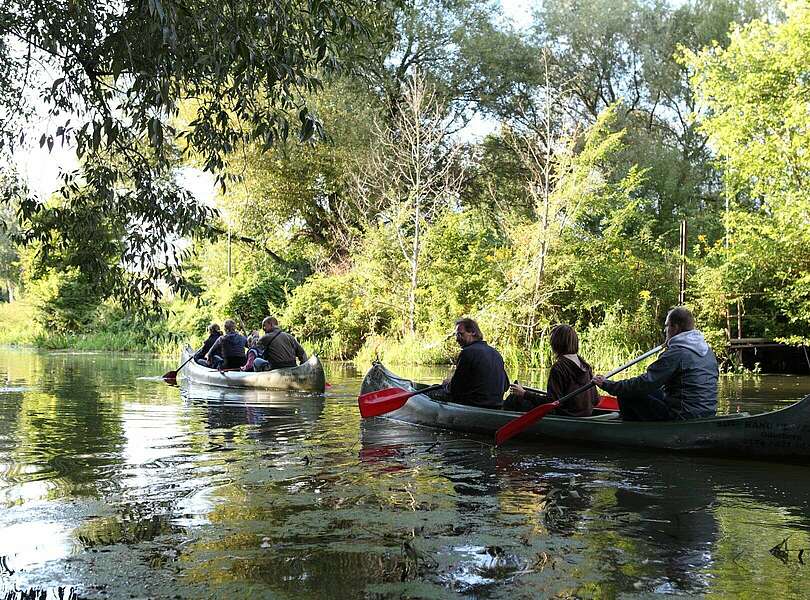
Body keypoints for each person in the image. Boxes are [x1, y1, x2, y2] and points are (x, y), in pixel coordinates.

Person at [592, 307, 718, 421]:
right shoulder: (707, 351)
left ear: (675, 327)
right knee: (652, 390)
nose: (665, 330)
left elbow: (645, 383)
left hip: (682, 415)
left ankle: (631, 431)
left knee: (626, 393)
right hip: (708, 412)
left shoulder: (676, 353)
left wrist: (608, 385)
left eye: (666, 326)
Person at [504, 324, 598, 416]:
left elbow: (552, 403)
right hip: (585, 414)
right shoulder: (586, 366)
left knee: (514, 399)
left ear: (556, 343)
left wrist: (524, 393)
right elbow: (595, 399)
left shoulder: (559, 368)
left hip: (565, 415)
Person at [438, 318, 509, 408]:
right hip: (496, 405)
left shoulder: (467, 352)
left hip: (474, 405)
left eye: (460, 334)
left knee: (434, 391)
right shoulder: (496, 353)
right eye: (456, 335)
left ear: (473, 332)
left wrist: (446, 385)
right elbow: (506, 386)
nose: (457, 339)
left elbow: (455, 389)